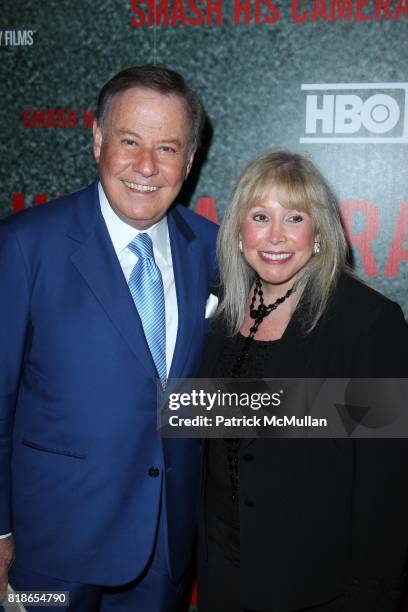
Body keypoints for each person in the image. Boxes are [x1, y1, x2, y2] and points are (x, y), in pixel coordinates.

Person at [0, 64, 218, 611]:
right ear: (96, 139)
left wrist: (357, 412)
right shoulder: (27, 245)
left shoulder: (213, 250)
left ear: (189, 161)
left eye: (167, 149)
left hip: (165, 547)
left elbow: (202, 402)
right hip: (49, 549)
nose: (147, 167)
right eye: (129, 142)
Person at [197, 150, 408, 612]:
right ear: (238, 232)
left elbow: (384, 488)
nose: (275, 236)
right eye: (260, 216)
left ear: (318, 235)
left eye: (294, 217)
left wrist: (370, 598)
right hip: (222, 577)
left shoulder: (368, 323)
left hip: (317, 588)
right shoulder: (218, 310)